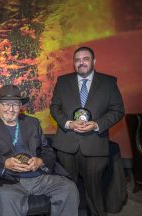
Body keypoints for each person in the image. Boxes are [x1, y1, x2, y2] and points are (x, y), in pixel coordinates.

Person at [0, 84, 79, 216]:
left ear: (20, 107)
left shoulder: (32, 123)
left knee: (68, 188)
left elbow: (47, 150)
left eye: (15, 105)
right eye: (6, 104)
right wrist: (4, 163)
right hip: (9, 180)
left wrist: (40, 161)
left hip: (40, 176)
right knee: (7, 196)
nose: (11, 109)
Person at [50, 46, 125, 216]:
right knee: (66, 191)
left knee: (94, 193)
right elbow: (54, 107)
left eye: (85, 59)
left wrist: (97, 124)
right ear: (74, 63)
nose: (81, 63)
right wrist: (68, 123)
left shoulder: (108, 82)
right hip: (66, 146)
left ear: (94, 61)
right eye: (77, 60)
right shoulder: (62, 81)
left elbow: (118, 110)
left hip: (95, 146)